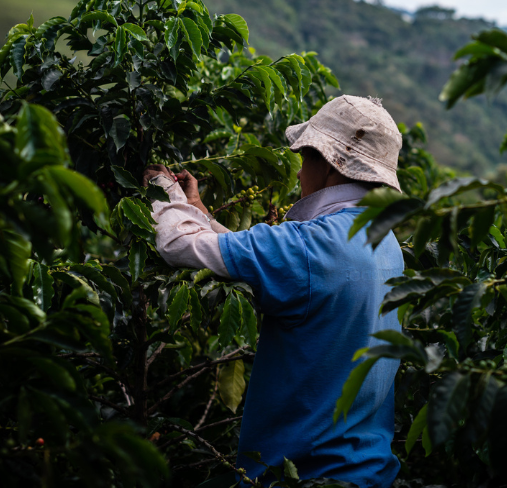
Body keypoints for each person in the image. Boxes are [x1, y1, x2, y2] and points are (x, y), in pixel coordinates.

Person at [142, 95, 404, 488]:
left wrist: (163, 191)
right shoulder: (385, 242)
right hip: (369, 473)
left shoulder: (312, 246)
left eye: (304, 158)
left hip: (304, 476)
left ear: (331, 163)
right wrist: (200, 211)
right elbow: (275, 264)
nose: (300, 174)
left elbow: (178, 244)